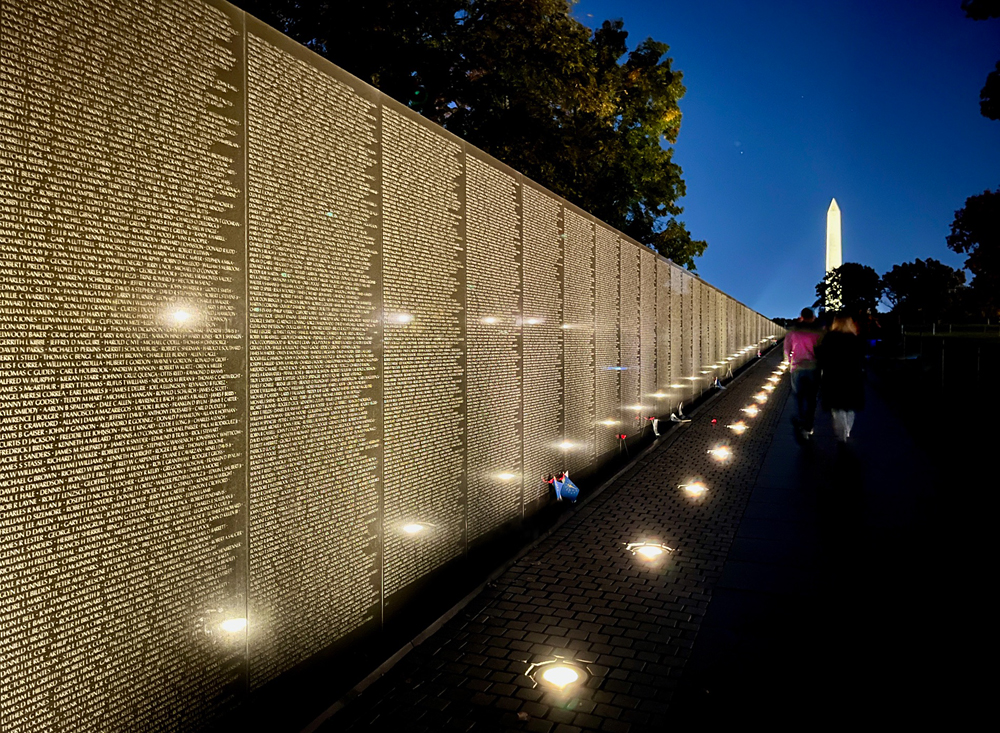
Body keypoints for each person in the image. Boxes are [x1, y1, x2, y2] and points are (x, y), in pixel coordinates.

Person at [818, 315, 865, 442]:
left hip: (833, 377)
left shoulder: (829, 338)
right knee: (850, 407)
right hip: (852, 377)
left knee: (836, 407)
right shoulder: (855, 339)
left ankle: (841, 433)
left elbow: (822, 357)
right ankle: (847, 430)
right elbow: (862, 359)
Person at [783, 307, 824, 441]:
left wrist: (790, 362)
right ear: (813, 317)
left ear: (801, 317)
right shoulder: (818, 332)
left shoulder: (793, 332)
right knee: (812, 398)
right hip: (813, 367)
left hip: (797, 367)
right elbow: (822, 350)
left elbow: (787, 349)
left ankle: (800, 418)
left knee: (799, 396)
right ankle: (808, 425)